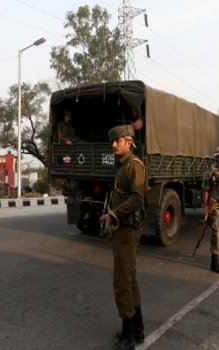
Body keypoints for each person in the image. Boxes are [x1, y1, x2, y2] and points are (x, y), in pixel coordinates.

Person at [99, 124, 145, 350]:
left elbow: (137, 198)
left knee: (122, 282)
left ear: (129, 142)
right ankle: (137, 329)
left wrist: (114, 214)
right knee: (130, 279)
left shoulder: (134, 166)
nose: (114, 144)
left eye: (118, 141)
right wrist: (110, 215)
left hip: (128, 231)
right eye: (112, 141)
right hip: (121, 230)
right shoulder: (121, 166)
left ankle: (128, 335)